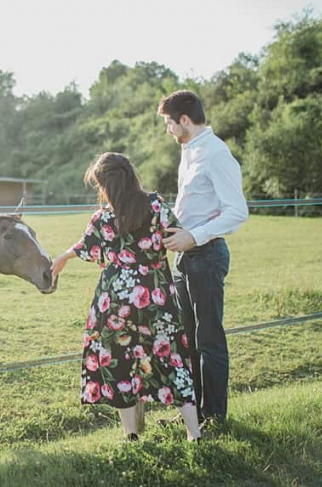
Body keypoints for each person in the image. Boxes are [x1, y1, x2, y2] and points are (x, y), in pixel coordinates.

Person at [51, 152, 201, 442]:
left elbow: (84, 247)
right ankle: (194, 434)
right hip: (157, 298)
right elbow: (178, 237)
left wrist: (62, 257)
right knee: (173, 361)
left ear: (104, 185)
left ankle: (131, 435)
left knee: (119, 362)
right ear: (131, 174)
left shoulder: (103, 217)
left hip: (115, 301)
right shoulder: (156, 205)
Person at [157, 90, 248, 429]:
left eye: (169, 123)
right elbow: (193, 204)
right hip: (185, 258)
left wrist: (193, 236)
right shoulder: (189, 151)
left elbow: (237, 212)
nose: (167, 129)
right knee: (188, 341)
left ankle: (216, 418)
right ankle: (194, 415)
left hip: (207, 257)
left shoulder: (216, 154)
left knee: (209, 340)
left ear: (184, 120)